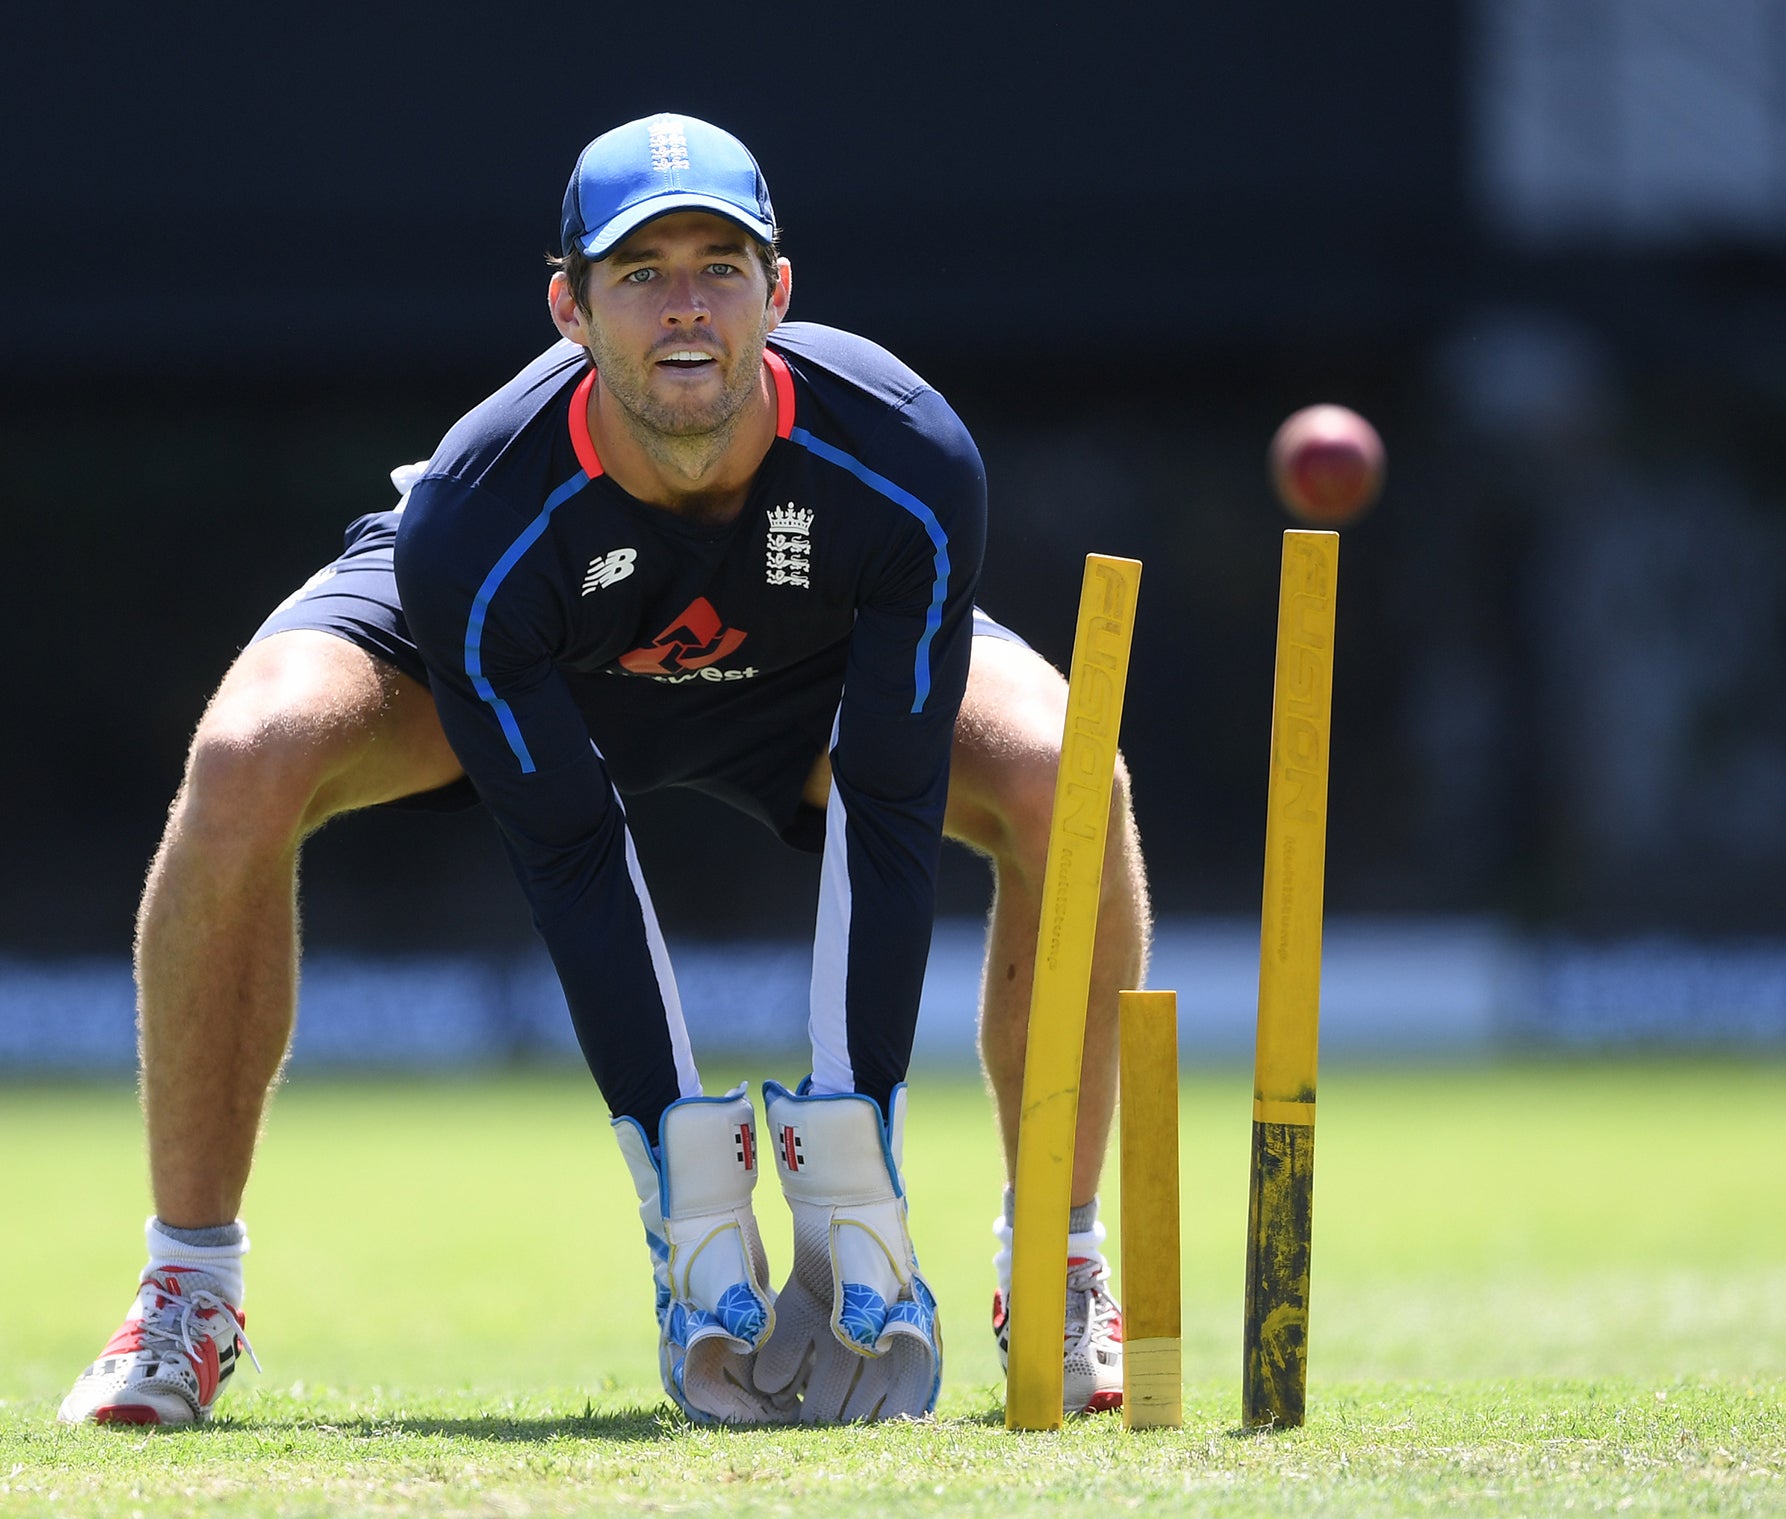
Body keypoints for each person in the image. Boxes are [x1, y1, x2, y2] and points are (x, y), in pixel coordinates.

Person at [58, 113, 1149, 1428]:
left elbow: (889, 810)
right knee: (247, 757)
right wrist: (685, 1192)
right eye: (639, 276)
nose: (683, 311)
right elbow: (572, 853)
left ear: (778, 294)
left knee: (1067, 775)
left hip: (796, 670)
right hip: (527, 648)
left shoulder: (905, 458)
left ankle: (1059, 1268)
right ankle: (187, 1291)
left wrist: (847, 1173)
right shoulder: (480, 506)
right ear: (568, 309)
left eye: (719, 269)